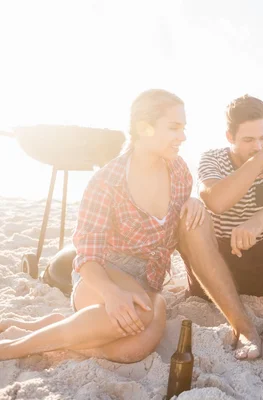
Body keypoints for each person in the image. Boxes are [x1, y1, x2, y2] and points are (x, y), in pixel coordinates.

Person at [0, 89, 205, 362]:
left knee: (133, 350)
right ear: (145, 129)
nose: (183, 136)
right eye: (174, 127)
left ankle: (60, 324)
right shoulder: (107, 181)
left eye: (183, 128)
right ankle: (15, 348)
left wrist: (195, 200)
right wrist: (112, 293)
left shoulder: (179, 172)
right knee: (141, 313)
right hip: (102, 274)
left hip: (148, 283)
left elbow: (181, 225)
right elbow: (87, 256)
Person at [177, 95, 263, 360]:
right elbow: (216, 200)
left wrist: (260, 218)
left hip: (257, 271)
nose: (258, 146)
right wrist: (256, 163)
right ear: (230, 136)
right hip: (214, 274)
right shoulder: (213, 159)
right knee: (190, 222)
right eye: (249, 140)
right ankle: (244, 328)